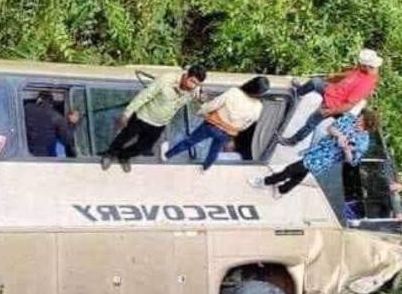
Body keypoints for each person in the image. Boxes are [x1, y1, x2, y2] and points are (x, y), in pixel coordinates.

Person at [102, 64, 206, 172]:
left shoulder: (195, 90)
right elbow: (145, 95)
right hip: (143, 117)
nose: (193, 86)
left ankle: (123, 156)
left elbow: (201, 99)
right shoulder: (167, 80)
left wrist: (202, 98)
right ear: (186, 75)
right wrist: (127, 113)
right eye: (192, 81)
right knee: (124, 137)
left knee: (144, 147)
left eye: (196, 84)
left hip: (159, 124)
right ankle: (109, 155)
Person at [249, 109, 377, 197]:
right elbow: (330, 128)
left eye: (361, 122)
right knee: (301, 172)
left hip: (326, 158)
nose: (358, 121)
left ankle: (266, 181)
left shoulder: (363, 141)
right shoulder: (349, 118)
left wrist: (346, 149)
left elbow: (352, 161)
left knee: (291, 169)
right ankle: (284, 189)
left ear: (366, 126)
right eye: (360, 118)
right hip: (319, 148)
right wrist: (339, 135)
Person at [279, 48, 382, 146]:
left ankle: (293, 141)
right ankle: (298, 92)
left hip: (333, 104)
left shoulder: (366, 84)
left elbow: (350, 105)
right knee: (315, 82)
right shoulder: (363, 69)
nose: (359, 64)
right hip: (331, 89)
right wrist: (333, 78)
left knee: (312, 121)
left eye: (361, 64)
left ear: (367, 66)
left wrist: (332, 111)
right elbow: (349, 75)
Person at [164, 76, 269, 171]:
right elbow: (246, 125)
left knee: (190, 141)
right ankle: (205, 168)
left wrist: (200, 111)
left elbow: (214, 105)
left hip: (212, 126)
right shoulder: (258, 107)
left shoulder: (234, 92)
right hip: (227, 134)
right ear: (260, 93)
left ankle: (168, 155)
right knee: (214, 151)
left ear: (250, 83)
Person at [24, 92, 76, 158]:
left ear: (39, 100)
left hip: (27, 151)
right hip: (46, 156)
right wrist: (72, 123)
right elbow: (66, 139)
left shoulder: (27, 109)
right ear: (52, 104)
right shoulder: (57, 117)